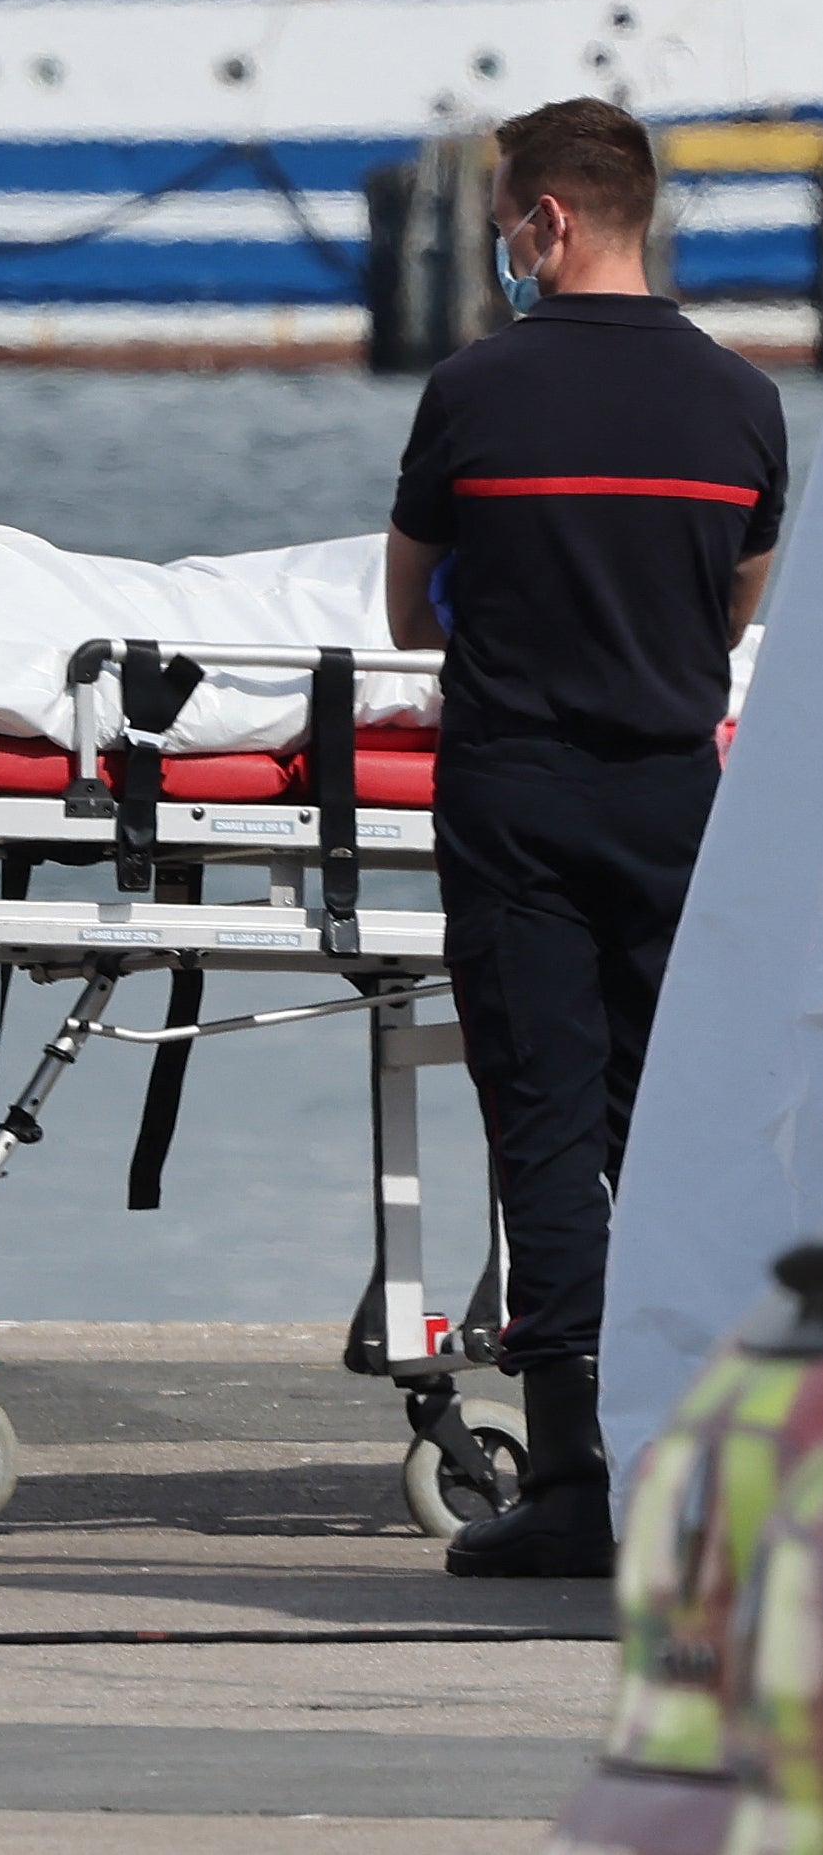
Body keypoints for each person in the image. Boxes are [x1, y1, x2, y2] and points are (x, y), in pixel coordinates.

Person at [385, 95, 783, 1580]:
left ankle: (568, 1476)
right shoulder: (742, 402)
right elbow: (734, 606)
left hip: (518, 794)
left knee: (543, 1131)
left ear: (547, 222)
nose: (497, 245)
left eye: (500, 223)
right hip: (675, 794)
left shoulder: (476, 393)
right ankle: (714, 1464)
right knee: (680, 1132)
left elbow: (400, 603)